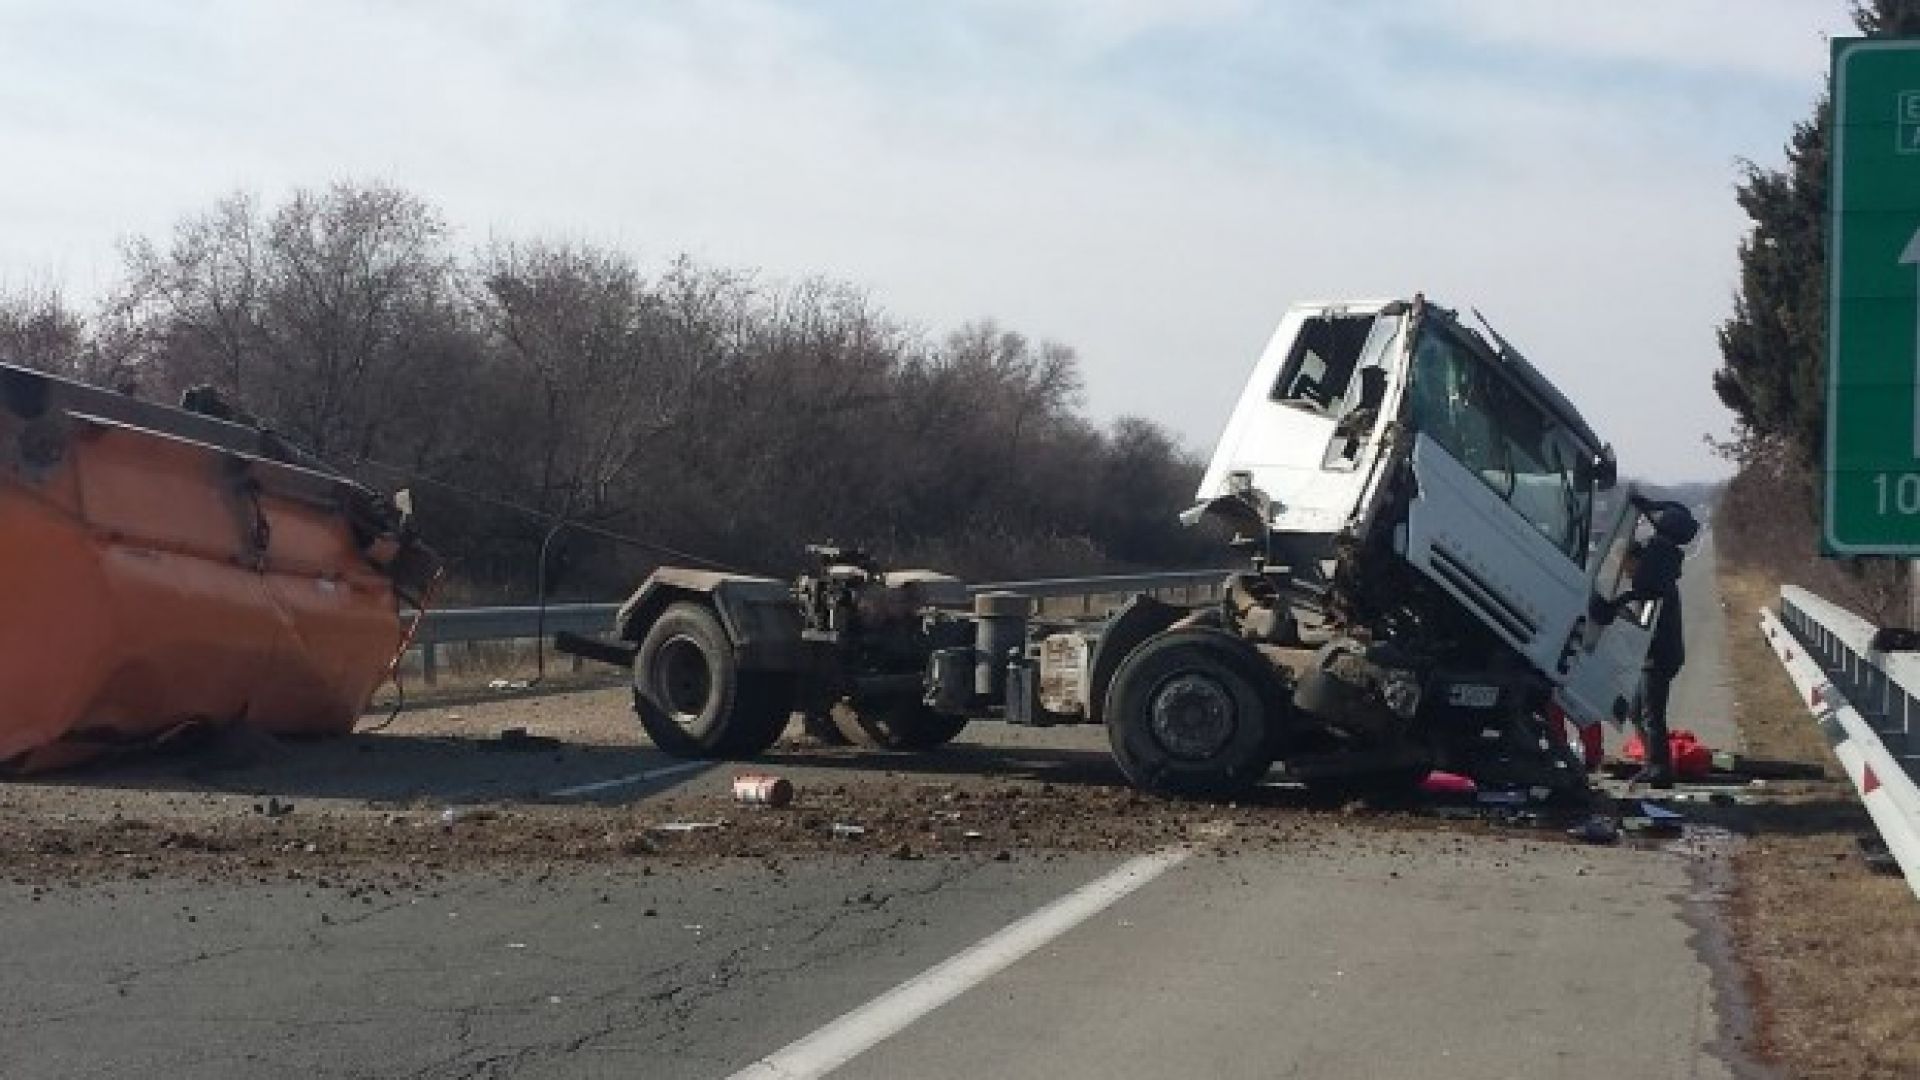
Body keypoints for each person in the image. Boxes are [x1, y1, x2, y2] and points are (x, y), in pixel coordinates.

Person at [1615, 498, 1699, 788]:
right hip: (1653, 656)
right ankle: (1652, 763)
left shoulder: (1654, 583)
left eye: (1627, 566)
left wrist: (1618, 608)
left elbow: (1645, 619)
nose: (1626, 573)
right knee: (1636, 712)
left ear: (1637, 561)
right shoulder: (1656, 580)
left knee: (1651, 714)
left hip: (1659, 657)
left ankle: (1660, 769)